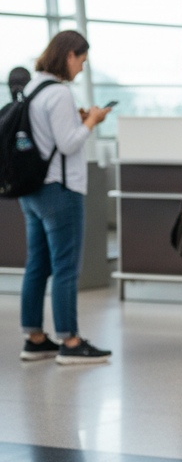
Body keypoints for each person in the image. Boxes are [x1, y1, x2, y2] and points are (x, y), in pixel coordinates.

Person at [19, 31, 112, 364]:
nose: (81, 69)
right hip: (60, 190)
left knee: (37, 265)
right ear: (69, 55)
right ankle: (70, 342)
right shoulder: (59, 93)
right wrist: (92, 121)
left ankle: (34, 338)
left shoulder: (32, 88)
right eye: (81, 61)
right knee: (66, 267)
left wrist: (79, 120)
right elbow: (69, 143)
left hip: (32, 190)